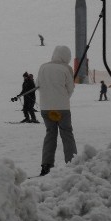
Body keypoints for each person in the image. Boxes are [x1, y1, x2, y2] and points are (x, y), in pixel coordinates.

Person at [37, 45, 77, 176]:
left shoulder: (43, 67)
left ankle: (46, 165)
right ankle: (72, 163)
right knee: (66, 134)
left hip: (46, 108)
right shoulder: (66, 68)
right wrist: (63, 98)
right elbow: (70, 88)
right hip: (62, 109)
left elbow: (38, 84)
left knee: (50, 134)